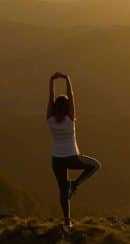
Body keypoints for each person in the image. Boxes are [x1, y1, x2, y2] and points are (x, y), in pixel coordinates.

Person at [47, 72, 101, 229]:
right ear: (67, 106)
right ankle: (75, 185)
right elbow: (71, 96)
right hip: (72, 157)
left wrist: (51, 81)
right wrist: (67, 79)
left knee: (62, 191)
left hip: (56, 160)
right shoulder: (70, 119)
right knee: (96, 165)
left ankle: (67, 221)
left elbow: (50, 99)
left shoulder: (50, 119)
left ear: (55, 106)